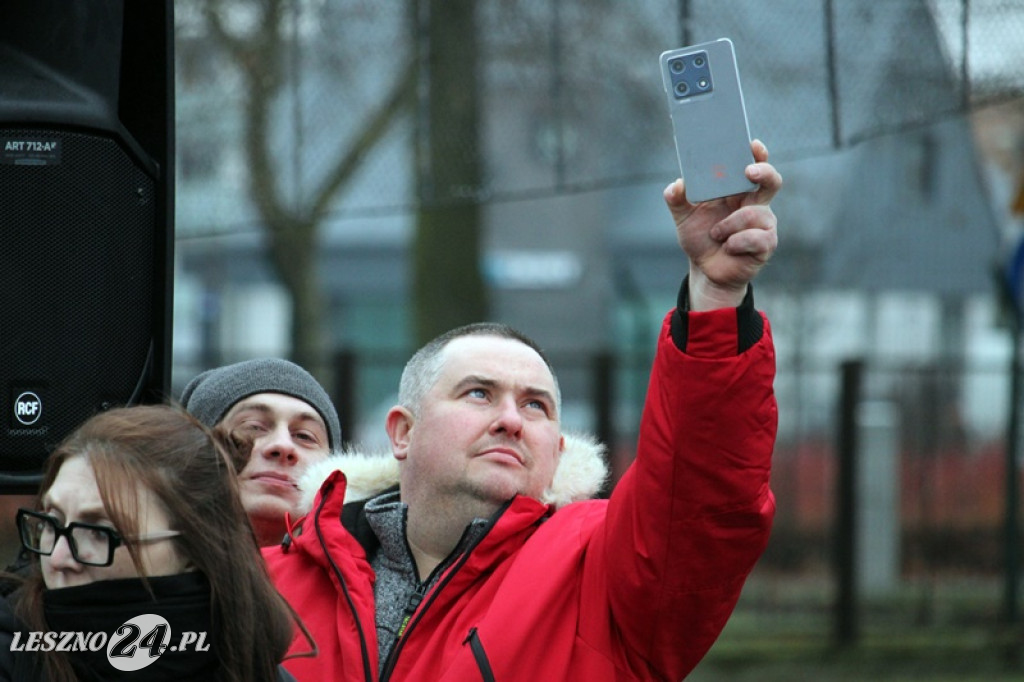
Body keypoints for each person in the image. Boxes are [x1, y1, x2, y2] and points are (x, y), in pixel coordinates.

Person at [264, 139, 781, 681]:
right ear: (402, 432)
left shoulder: (602, 573)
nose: (510, 419)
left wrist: (716, 294)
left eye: (535, 405)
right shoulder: (265, 584)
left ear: (556, 452)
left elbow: (701, 492)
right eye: (479, 394)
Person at [0, 405, 300, 681]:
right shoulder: (11, 653)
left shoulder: (259, 673)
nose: (57, 557)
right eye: (52, 521)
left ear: (191, 551)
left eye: (97, 530)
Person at [180, 358, 342, 546]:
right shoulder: (146, 568)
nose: (283, 446)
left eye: (305, 436)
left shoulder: (366, 574)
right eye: (254, 427)